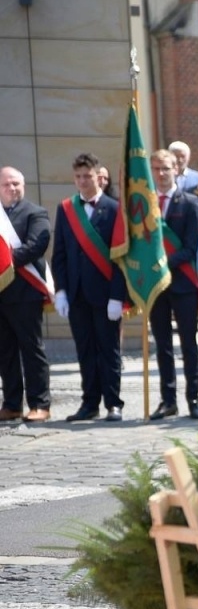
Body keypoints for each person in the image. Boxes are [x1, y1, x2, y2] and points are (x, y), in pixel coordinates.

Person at [52, 152, 128, 422]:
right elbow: (60, 254)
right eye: (78, 177)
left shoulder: (115, 208)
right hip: (77, 294)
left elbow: (121, 257)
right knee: (85, 350)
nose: (83, 181)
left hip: (106, 294)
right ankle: (89, 403)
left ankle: (113, 403)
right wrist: (61, 290)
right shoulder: (66, 209)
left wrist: (117, 296)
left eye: (88, 176)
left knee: (109, 350)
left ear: (99, 177)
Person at [147, 150, 198, 419]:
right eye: (156, 168)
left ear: (176, 170)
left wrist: (161, 264)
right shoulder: (145, 204)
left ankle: (193, 399)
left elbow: (191, 248)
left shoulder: (191, 202)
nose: (161, 173)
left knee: (188, 344)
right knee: (163, 345)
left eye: (166, 168)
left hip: (183, 283)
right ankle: (167, 400)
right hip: (156, 287)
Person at [0, 166, 52, 422]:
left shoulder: (35, 212)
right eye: (6, 184)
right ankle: (11, 404)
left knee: (32, 350)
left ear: (24, 186)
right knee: (5, 351)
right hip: (1, 293)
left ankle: (40, 403)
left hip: (25, 293)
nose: (12, 188)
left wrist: (4, 264)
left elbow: (36, 246)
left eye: (16, 184)